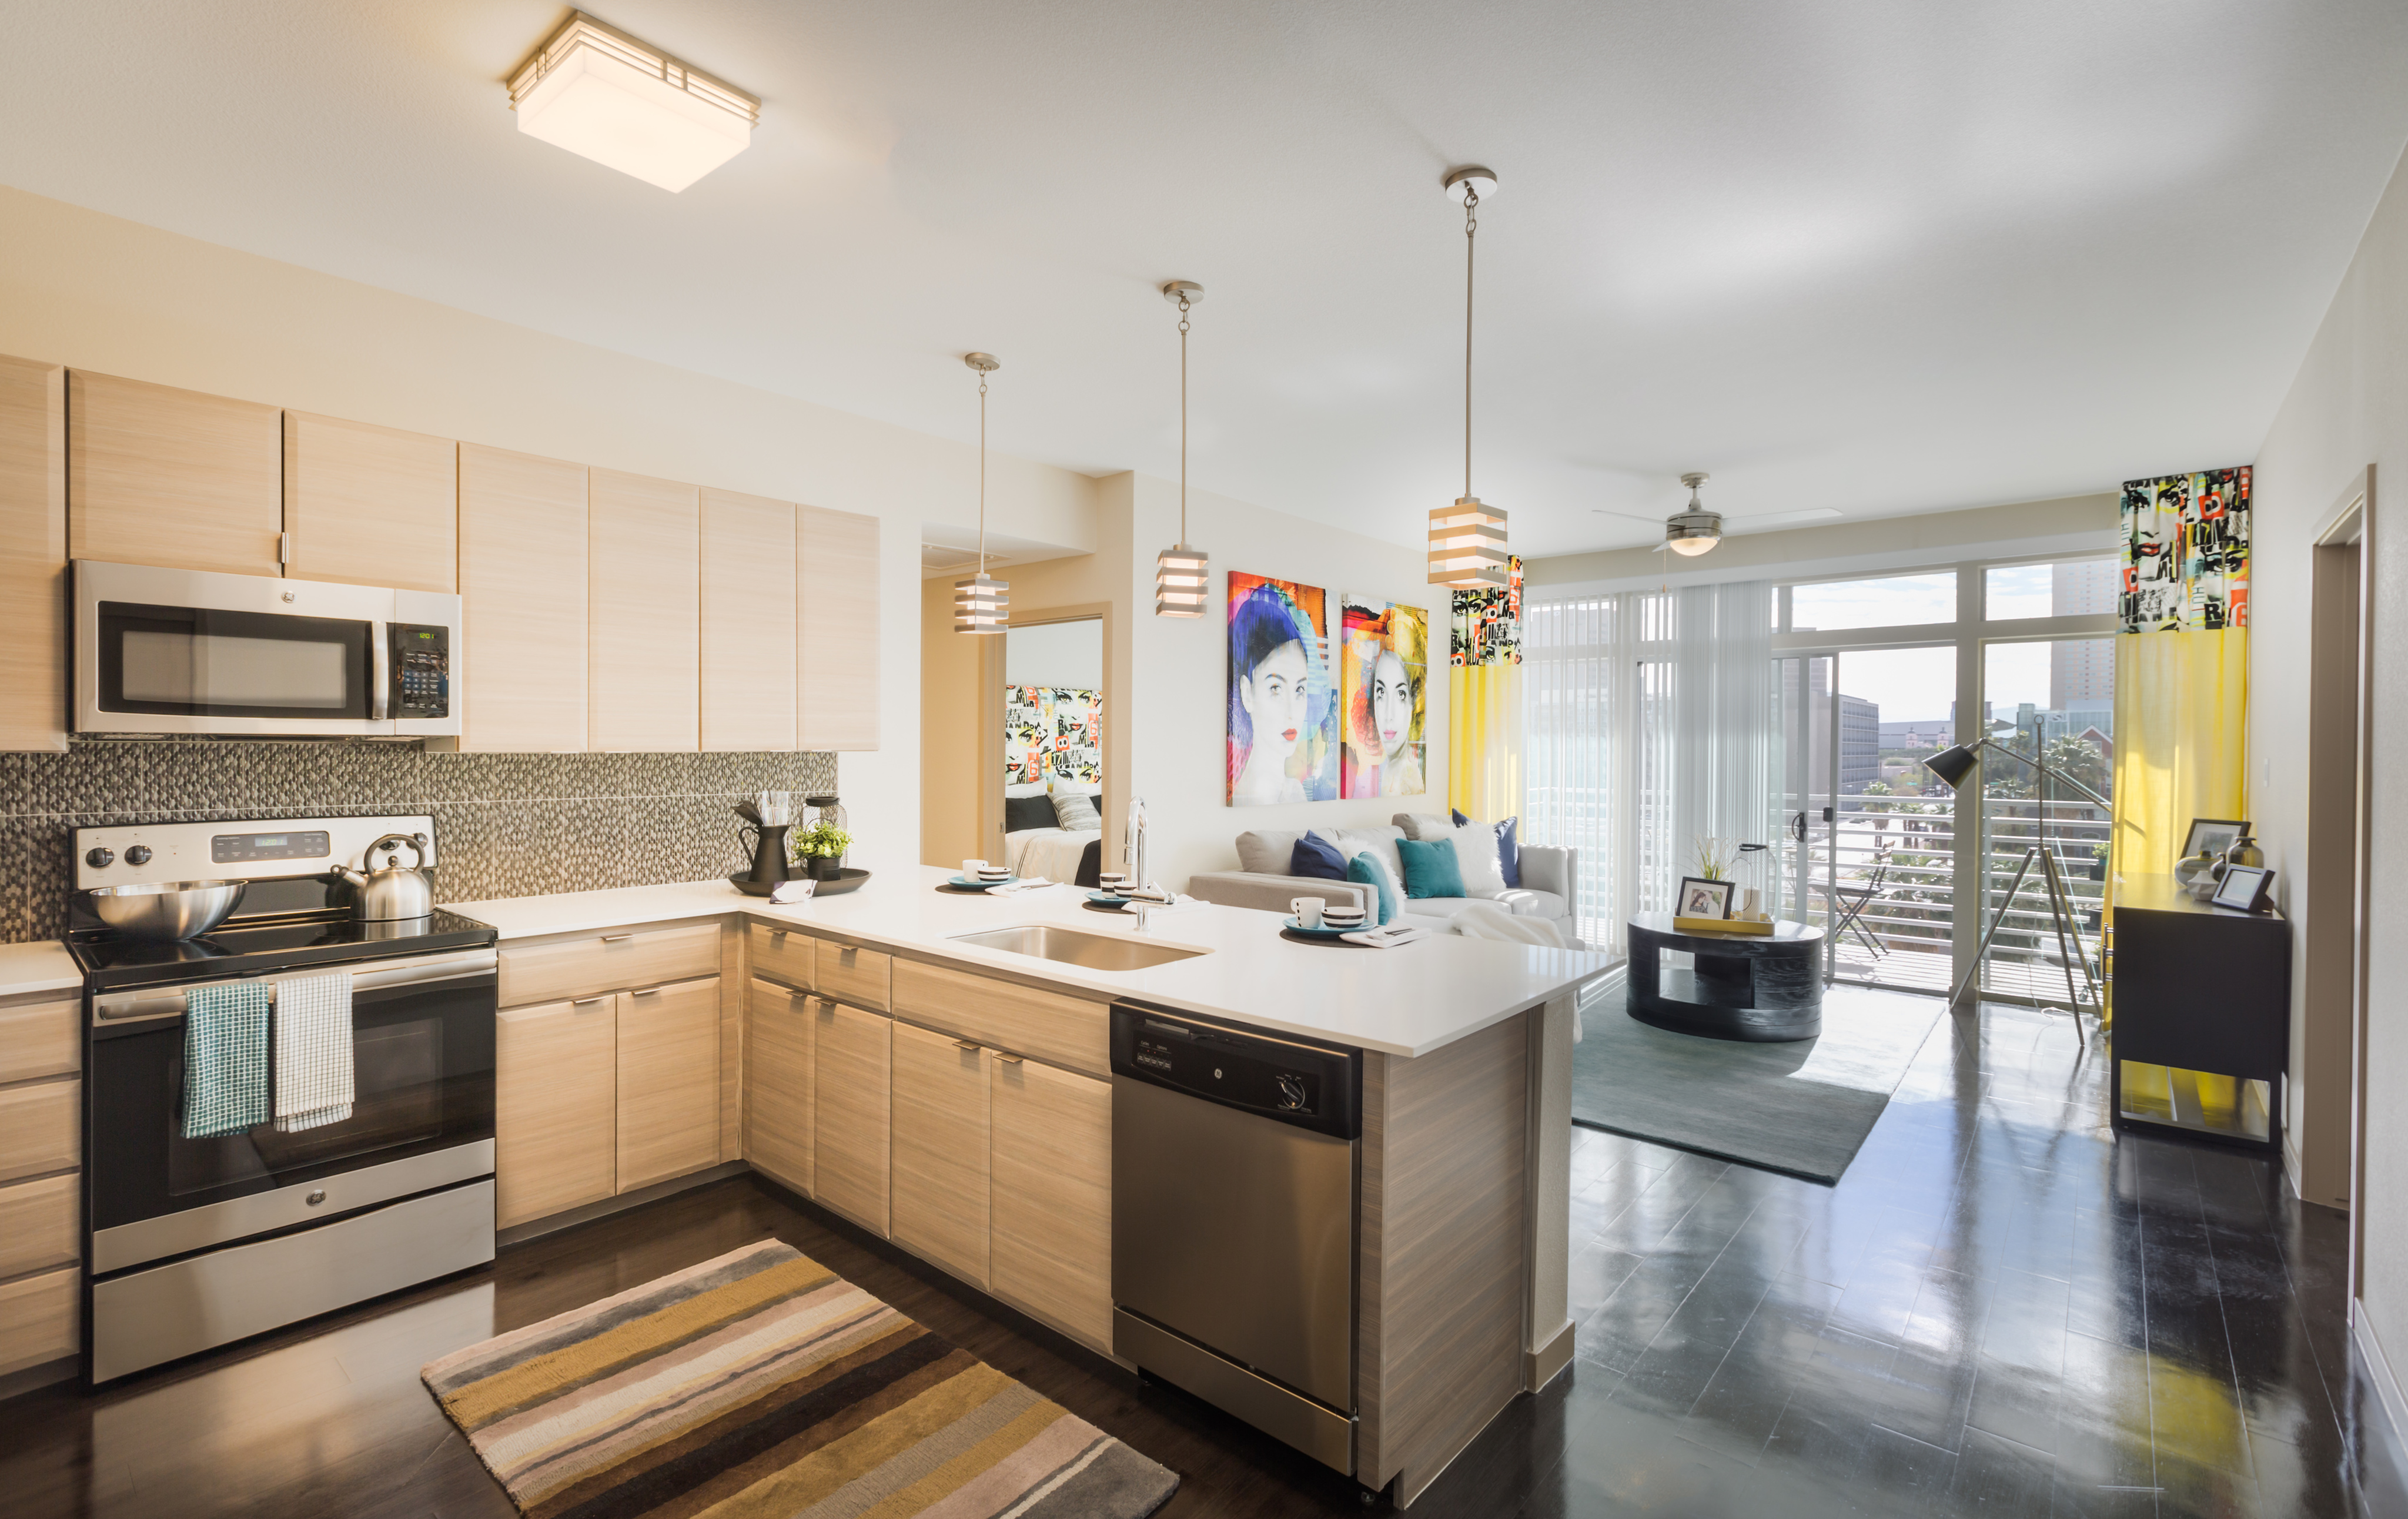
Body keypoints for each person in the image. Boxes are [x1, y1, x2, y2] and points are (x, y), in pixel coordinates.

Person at [1228, 581, 1330, 805]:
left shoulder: (1295, 793)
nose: (1291, 712)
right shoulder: (1249, 799)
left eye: (1299, 689)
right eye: (1276, 689)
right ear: (1247, 693)